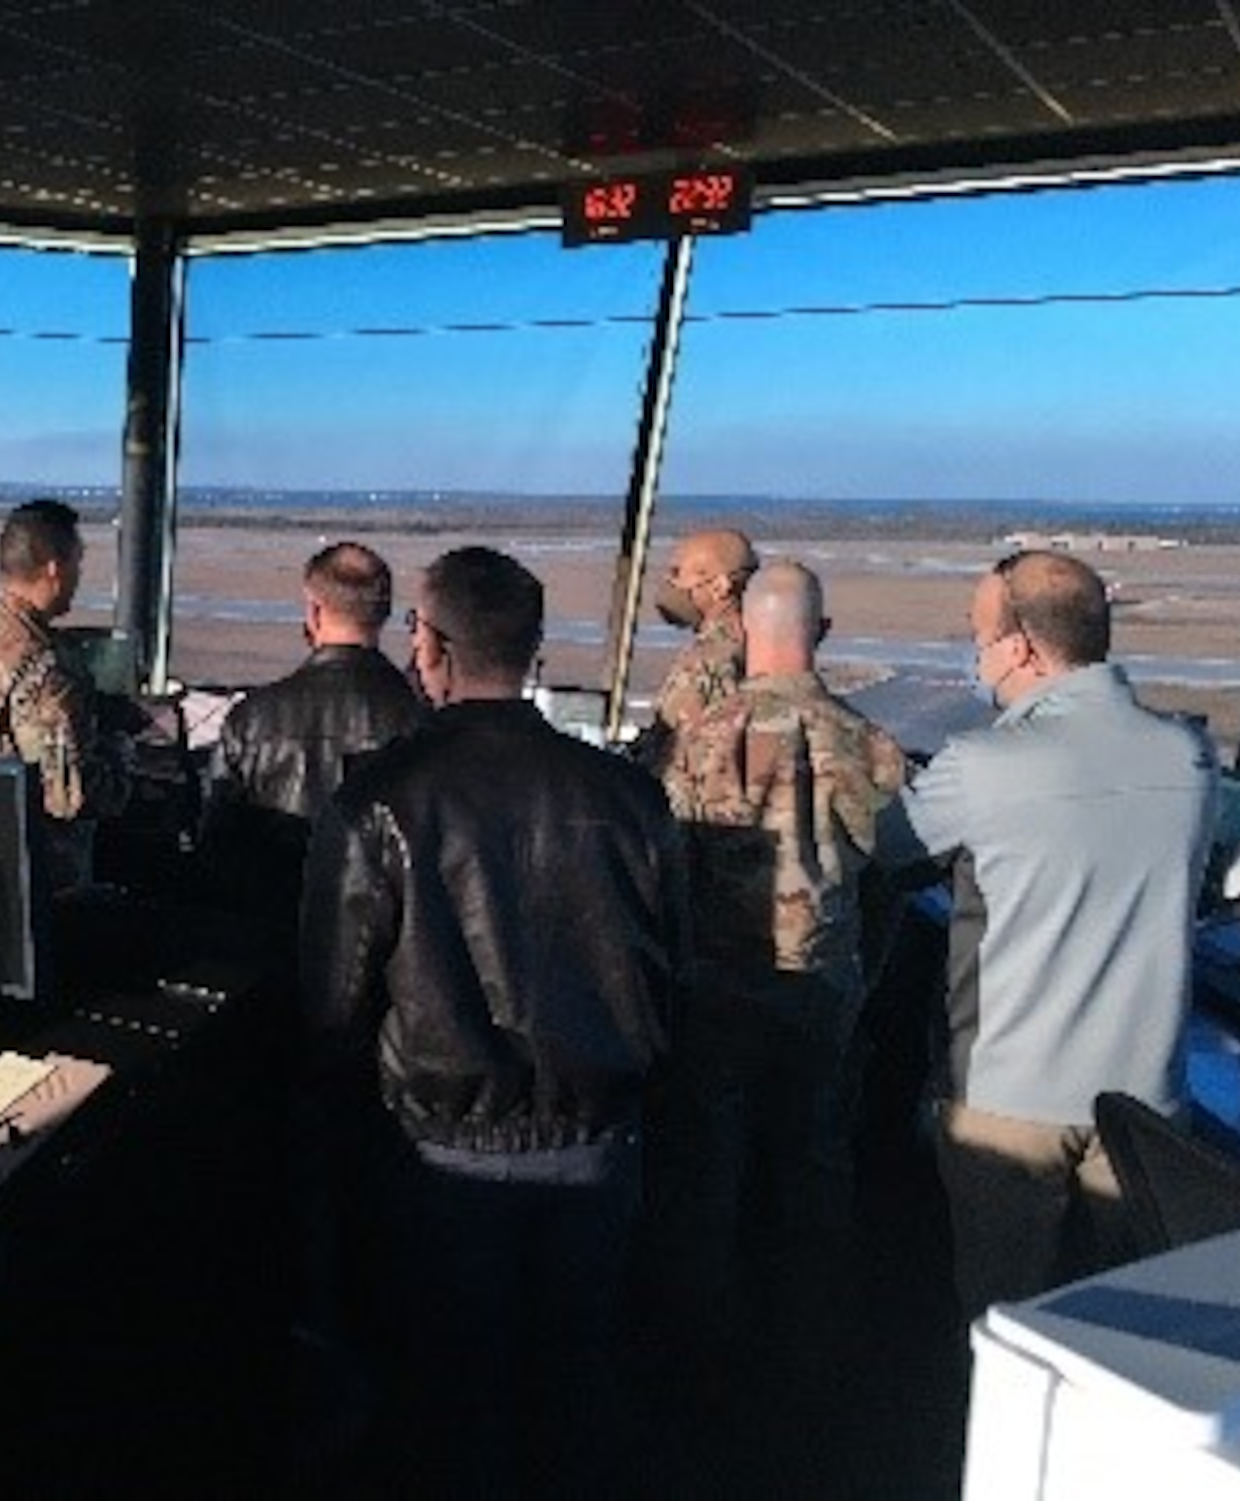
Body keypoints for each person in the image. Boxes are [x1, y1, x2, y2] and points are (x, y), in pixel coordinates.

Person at [296, 545, 689, 1496]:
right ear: (535, 648)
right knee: (572, 1383)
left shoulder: (378, 799)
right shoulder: (631, 797)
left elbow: (331, 1004)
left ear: (427, 645)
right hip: (598, 1148)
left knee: (450, 1399)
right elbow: (673, 973)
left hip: (441, 1159)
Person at [876, 549, 1217, 1318]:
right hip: (1145, 1104)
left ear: (1021, 647)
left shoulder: (983, 764)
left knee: (1005, 1327)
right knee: (1118, 1325)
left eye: (979, 636)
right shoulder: (1192, 755)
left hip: (1009, 1095)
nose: (977, 656)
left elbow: (883, 846)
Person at [653, 561, 906, 1396]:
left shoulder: (696, 735)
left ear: (746, 633)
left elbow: (670, 863)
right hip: (823, 990)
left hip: (717, 987)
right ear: (822, 633)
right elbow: (891, 867)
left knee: (707, 1166)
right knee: (816, 1164)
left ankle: (698, 1349)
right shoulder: (868, 742)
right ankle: (813, 1355)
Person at [201, 541, 424, 927]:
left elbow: (217, 846)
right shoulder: (421, 720)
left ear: (314, 610)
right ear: (383, 613)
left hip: (269, 935)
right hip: (384, 949)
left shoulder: (253, 719)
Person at [0, 498, 130, 889]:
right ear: (55, 570)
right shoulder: (46, 667)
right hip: (37, 878)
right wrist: (122, 756)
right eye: (77, 564)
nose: (78, 577)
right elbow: (70, 797)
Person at [632, 527, 759, 770]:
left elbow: (673, 753)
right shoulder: (757, 642)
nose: (671, 584)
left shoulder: (707, 661)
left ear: (719, 587)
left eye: (677, 573)